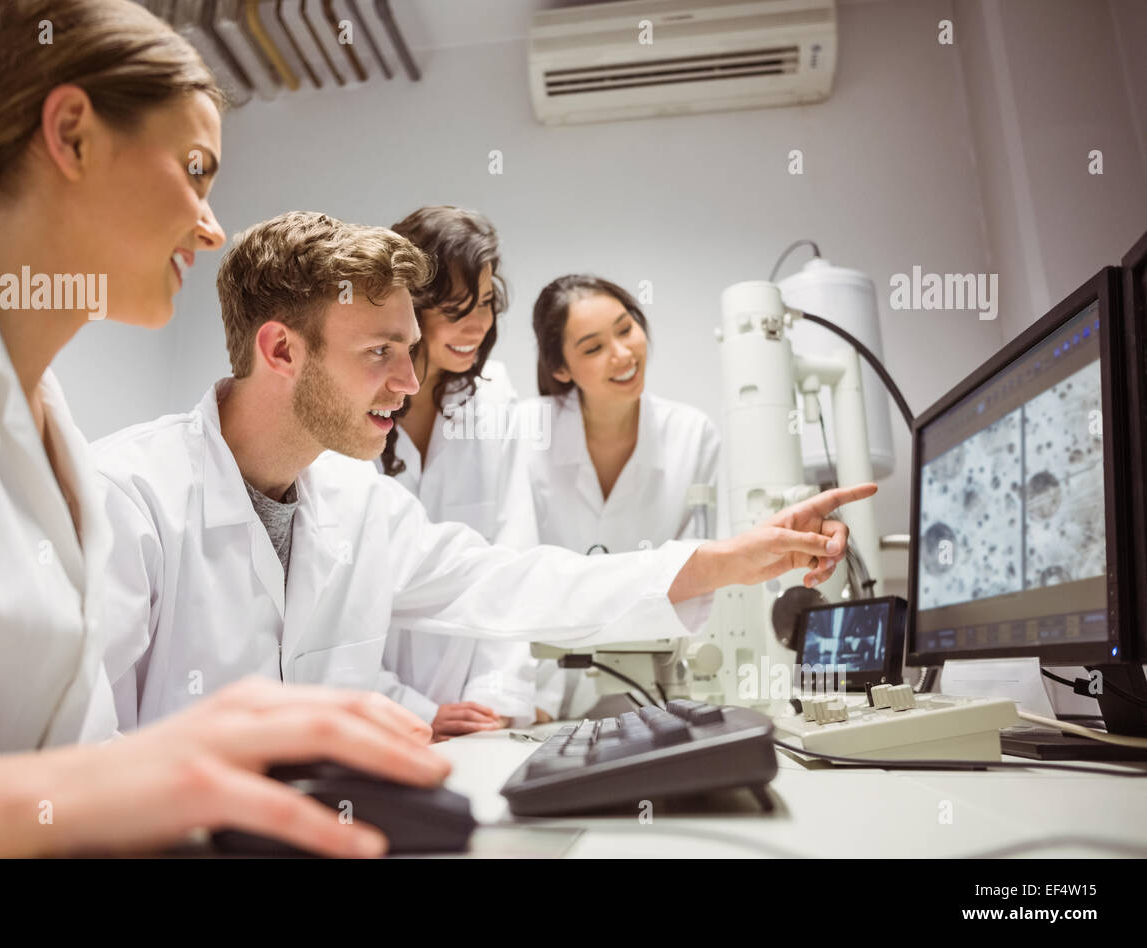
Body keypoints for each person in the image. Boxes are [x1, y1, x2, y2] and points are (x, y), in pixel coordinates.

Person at [0, 0, 442, 859]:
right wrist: (101, 787)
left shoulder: (58, 441)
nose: (210, 229)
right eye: (196, 169)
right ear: (73, 134)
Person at [93, 210, 876, 731]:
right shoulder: (130, 499)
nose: (408, 382)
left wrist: (722, 563)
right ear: (280, 351)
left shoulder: (355, 502)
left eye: (411, 350)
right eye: (379, 354)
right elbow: (75, 764)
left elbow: (508, 580)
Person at [520, 275, 724, 718]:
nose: (623, 354)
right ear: (561, 369)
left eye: (626, 328)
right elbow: (513, 574)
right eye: (593, 348)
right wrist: (529, 701)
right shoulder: (524, 434)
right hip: (540, 688)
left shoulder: (692, 435)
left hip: (659, 685)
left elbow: (698, 576)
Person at [376, 206, 542, 739]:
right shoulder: (354, 406)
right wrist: (410, 710)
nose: (477, 325)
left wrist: (494, 699)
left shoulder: (494, 397)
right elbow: (334, 594)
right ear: (409, 304)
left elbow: (513, 552)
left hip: (479, 714)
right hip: (370, 711)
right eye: (455, 308)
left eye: (488, 304)